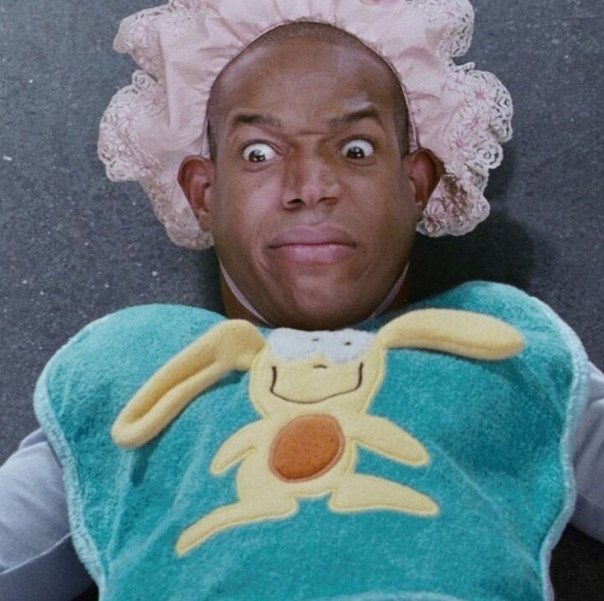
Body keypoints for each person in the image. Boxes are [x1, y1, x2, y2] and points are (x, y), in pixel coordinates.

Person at [0, 0, 602, 599]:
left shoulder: (509, 354)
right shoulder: (128, 376)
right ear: (204, 193)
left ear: (416, 183)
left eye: (356, 149)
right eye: (259, 153)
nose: (311, 187)